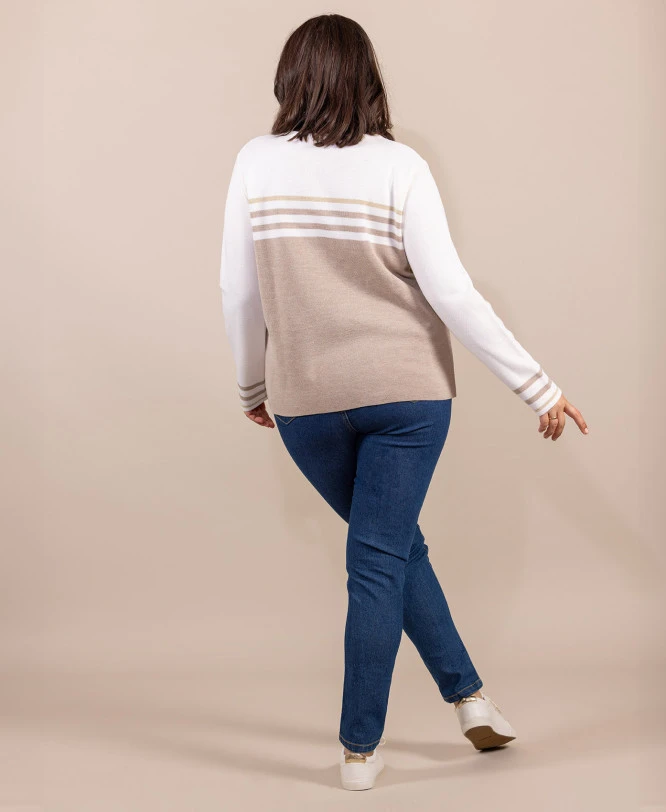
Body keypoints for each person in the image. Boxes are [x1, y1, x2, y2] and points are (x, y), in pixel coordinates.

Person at [219, 13, 589, 791]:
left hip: (307, 401)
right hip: (410, 395)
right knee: (387, 556)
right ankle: (407, 726)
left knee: (380, 555)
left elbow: (239, 291)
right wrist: (538, 387)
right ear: (368, 78)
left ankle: (423, 720)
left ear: (290, 77)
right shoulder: (401, 166)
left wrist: (252, 384)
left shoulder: (255, 162)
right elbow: (451, 292)